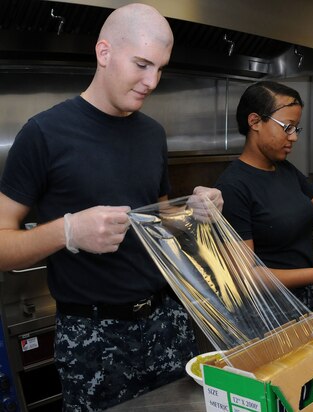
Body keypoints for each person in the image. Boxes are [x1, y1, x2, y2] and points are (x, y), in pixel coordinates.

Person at [0, 4, 223, 411]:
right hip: (93, 335)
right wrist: (67, 231)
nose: (152, 81)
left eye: (160, 68)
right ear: (104, 53)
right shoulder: (44, 133)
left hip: (167, 322)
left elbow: (158, 220)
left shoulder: (152, 133)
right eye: (141, 64)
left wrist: (193, 211)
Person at [215, 81, 313, 311]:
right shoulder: (233, 186)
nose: (294, 137)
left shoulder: (285, 170)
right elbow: (245, 277)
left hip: (302, 301)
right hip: (267, 310)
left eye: (296, 128)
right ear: (255, 121)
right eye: (287, 127)